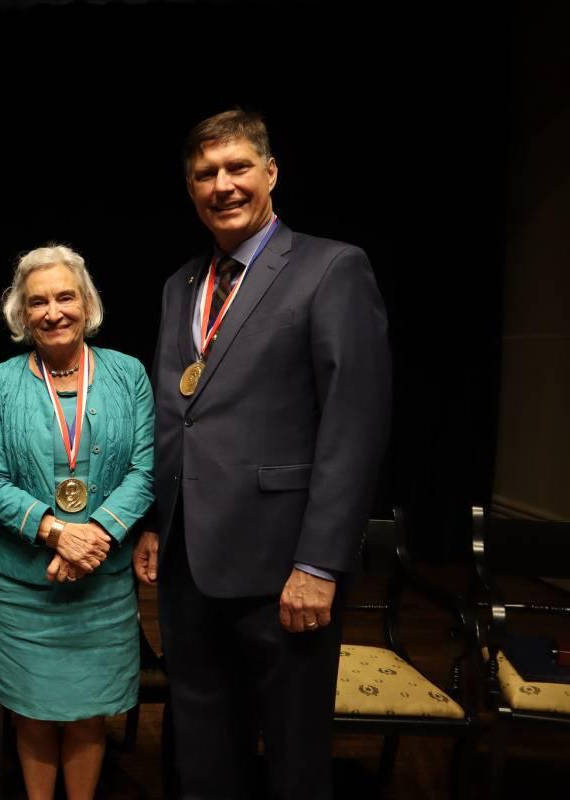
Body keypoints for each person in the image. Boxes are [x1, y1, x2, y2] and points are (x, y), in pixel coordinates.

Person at [132, 109, 391, 799]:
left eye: (237, 168)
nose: (222, 185)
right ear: (190, 190)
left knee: (293, 758)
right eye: (204, 174)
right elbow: (174, 416)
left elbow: (354, 426)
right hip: (189, 566)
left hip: (285, 570)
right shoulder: (181, 284)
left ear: (271, 173)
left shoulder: (331, 267)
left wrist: (319, 563)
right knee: (202, 751)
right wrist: (159, 521)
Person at [0, 245, 154, 800]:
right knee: (31, 713)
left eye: (65, 297)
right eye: (38, 302)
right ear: (22, 315)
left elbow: (146, 470)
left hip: (101, 586)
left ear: (87, 303)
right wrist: (58, 533)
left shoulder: (129, 374)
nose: (53, 312)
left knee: (89, 714)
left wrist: (93, 536)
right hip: (24, 589)